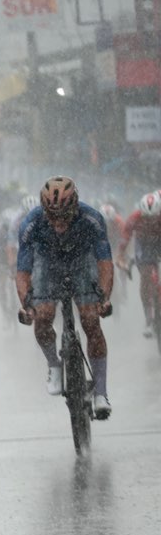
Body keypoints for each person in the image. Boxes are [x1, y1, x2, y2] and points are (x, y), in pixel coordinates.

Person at [15, 176, 113, 419]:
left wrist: (104, 298)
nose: (58, 222)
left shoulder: (92, 219)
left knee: (91, 320)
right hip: (48, 265)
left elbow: (105, 264)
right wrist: (27, 305)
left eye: (64, 216)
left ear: (75, 206)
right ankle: (54, 365)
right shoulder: (31, 222)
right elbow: (23, 271)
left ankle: (101, 392)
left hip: (82, 262)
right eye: (52, 216)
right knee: (43, 315)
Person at [116, 190, 161, 338]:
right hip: (143, 246)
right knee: (146, 278)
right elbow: (126, 236)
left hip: (158, 241)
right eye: (146, 218)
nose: (149, 221)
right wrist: (121, 254)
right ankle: (148, 319)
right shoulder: (134, 217)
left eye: (153, 218)